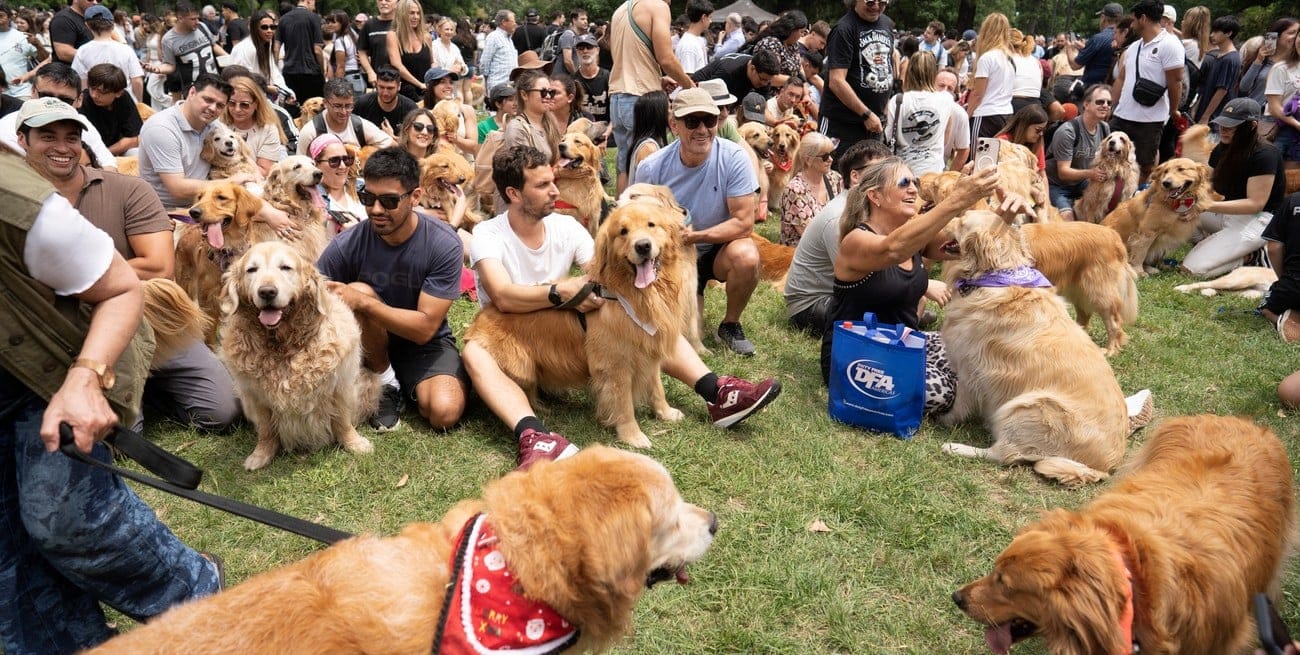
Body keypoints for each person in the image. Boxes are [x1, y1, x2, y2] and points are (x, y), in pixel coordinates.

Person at [0, 148, 223, 655]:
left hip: (60, 361)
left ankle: (197, 594)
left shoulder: (16, 199)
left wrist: (84, 377)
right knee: (7, 554)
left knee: (66, 517)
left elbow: (124, 288)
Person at [465, 144, 781, 470]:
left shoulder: (566, 226)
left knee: (642, 317)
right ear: (514, 194)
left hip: (565, 324)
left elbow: (603, 267)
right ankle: (545, 432)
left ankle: (715, 391)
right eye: (543, 185)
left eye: (552, 181)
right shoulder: (488, 234)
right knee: (477, 352)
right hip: (510, 331)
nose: (555, 190)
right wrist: (560, 292)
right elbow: (502, 296)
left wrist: (650, 277)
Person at [19, 95, 240, 432]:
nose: (62, 147)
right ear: (23, 140)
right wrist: (110, 278)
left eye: (71, 138)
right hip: (70, 330)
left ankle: (150, 389)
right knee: (118, 434)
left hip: (153, 318)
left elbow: (157, 267)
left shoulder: (127, 189)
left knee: (222, 413)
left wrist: (63, 276)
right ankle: (133, 396)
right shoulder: (14, 199)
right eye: (47, 137)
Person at [818, 159, 1016, 411]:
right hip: (858, 354)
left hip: (901, 344)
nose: (913, 188)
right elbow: (893, 249)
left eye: (915, 182)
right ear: (875, 196)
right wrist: (957, 199)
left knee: (980, 355)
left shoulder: (915, 237)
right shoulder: (856, 241)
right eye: (903, 183)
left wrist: (1002, 217)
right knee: (947, 392)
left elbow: (969, 243)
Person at [315, 147, 465, 432]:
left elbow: (424, 328)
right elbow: (310, 292)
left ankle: (410, 380)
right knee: (359, 291)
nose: (375, 209)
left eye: (389, 201)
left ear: (415, 197)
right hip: (366, 345)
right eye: (368, 198)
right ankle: (386, 382)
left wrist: (364, 302)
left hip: (423, 343)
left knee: (445, 412)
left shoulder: (443, 243)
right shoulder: (348, 243)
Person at [632, 88, 763, 356]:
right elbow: (637, 224)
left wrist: (696, 236)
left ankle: (731, 324)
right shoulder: (652, 166)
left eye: (709, 120)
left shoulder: (734, 158)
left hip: (715, 249)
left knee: (747, 256)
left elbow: (743, 223)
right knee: (684, 338)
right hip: (672, 255)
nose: (702, 129)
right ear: (674, 125)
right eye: (692, 122)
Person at [784, 139, 890, 333]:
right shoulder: (839, 217)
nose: (887, 177)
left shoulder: (870, 208)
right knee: (889, 312)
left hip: (837, 292)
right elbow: (856, 278)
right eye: (878, 170)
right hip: (811, 305)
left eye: (889, 170)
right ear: (855, 176)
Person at [1182, 98, 1286, 278]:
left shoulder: (1265, 154)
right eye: (1223, 123)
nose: (1224, 129)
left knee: (1193, 270)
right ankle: (1212, 245)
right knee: (1180, 207)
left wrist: (1206, 205)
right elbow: (1207, 183)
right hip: (1227, 212)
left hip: (1258, 219)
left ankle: (1251, 257)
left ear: (1252, 126)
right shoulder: (1222, 148)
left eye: (1231, 126)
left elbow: (1255, 204)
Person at [608, 0, 694, 194]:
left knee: (625, 166)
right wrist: (690, 86)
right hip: (642, 100)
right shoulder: (657, 7)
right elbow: (666, 58)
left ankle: (622, 214)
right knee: (649, 165)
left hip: (617, 97)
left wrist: (657, 78)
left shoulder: (620, 10)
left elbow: (627, 58)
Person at [1110, 0, 1185, 183]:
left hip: (1150, 119)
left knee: (1144, 165)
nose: (1132, 25)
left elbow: (1175, 81)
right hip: (1122, 115)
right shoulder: (1135, 46)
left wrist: (1173, 110)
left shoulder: (1170, 44)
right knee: (1111, 159)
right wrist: (1112, 106)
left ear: (1143, 19)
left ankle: (1136, 199)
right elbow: (1121, 78)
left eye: (1134, 20)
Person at [0, 63, 116, 171]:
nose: (55, 105)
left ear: (79, 100)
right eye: (46, 97)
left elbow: (109, 166)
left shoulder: (83, 123)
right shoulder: (6, 129)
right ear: (33, 92)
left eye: (65, 100)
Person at [819, 0, 896, 158]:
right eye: (870, 2)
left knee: (869, 177)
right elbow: (836, 81)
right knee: (836, 176)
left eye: (882, 3)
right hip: (843, 124)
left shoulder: (886, 24)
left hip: (874, 124)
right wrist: (865, 114)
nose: (875, 7)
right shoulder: (844, 29)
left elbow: (887, 65)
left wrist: (885, 106)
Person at [885, 50, 968, 176]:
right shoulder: (945, 99)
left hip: (902, 171)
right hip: (932, 171)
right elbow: (946, 138)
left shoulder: (897, 100)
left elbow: (889, 135)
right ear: (933, 74)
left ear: (910, 72)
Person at [1047, 83, 1114, 221]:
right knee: (1068, 220)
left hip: (1083, 182)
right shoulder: (1068, 132)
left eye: (1109, 102)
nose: (1106, 105)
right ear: (1086, 104)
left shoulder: (1104, 128)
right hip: (1058, 185)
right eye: (1100, 101)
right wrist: (1091, 174)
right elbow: (1063, 173)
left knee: (1104, 211)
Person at [146, 1, 225, 102]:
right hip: (194, 91)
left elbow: (213, 46)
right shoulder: (168, 40)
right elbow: (170, 65)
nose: (197, 21)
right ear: (180, 18)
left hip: (215, 83)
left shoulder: (202, 27)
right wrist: (157, 69)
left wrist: (231, 57)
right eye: (192, 19)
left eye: (197, 18)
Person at [295, 79, 393, 155]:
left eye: (348, 106)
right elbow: (300, 166)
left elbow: (394, 147)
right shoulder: (310, 132)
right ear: (325, 103)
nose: (344, 112)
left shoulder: (359, 125)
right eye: (337, 106)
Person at [70, 5, 143, 102]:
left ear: (87, 25)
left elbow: (82, 82)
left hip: (96, 103)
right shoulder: (126, 50)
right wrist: (139, 102)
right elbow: (137, 81)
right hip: (125, 101)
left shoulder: (82, 51)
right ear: (113, 25)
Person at [780, 132, 841, 246]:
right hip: (804, 254)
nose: (831, 159)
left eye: (832, 153)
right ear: (808, 160)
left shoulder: (835, 179)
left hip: (832, 244)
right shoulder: (795, 190)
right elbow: (809, 235)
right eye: (825, 156)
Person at [222, 74, 285, 176]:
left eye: (244, 105)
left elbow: (265, 171)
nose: (237, 109)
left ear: (256, 104)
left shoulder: (268, 129)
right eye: (232, 103)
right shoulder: (218, 123)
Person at [966, 13, 1016, 139]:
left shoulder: (987, 58)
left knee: (977, 157)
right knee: (997, 157)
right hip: (1006, 113)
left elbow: (978, 94)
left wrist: (966, 116)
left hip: (985, 115)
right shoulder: (1010, 58)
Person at [78, 63, 143, 156]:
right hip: (88, 151)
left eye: (102, 92)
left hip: (113, 149)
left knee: (137, 153)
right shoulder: (82, 101)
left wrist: (105, 154)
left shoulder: (124, 99)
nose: (94, 95)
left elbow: (133, 138)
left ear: (118, 93)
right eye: (92, 89)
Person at [996, 104, 1051, 208]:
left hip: (1032, 196)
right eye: (1038, 130)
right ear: (1024, 125)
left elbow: (1042, 173)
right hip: (1007, 193)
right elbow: (1005, 179)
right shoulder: (1003, 142)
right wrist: (1032, 190)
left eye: (1043, 130)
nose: (1041, 134)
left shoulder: (1038, 143)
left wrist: (1047, 202)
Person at [501, 68, 561, 162]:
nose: (548, 96)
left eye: (551, 92)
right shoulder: (517, 128)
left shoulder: (551, 122)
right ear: (524, 95)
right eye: (543, 92)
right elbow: (525, 170)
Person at [308, 133, 365, 232]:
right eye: (334, 161)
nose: (342, 166)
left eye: (346, 159)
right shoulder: (309, 199)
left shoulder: (364, 187)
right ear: (316, 164)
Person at [228, 10, 289, 101]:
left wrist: (286, 91)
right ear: (255, 28)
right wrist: (267, 88)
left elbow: (273, 71)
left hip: (263, 96)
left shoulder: (266, 45)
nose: (269, 31)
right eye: (264, 27)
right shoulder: (245, 49)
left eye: (272, 27)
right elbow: (240, 80)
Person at [1266, 18, 1300, 167]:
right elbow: (1274, 107)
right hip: (1280, 130)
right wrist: (1297, 124)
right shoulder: (1281, 68)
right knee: (1276, 180)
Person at [422, 67, 477, 158]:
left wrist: (456, 139)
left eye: (451, 82)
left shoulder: (466, 110)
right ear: (429, 85)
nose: (449, 86)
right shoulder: (423, 113)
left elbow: (474, 148)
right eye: (442, 82)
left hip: (463, 166)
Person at [1194, 15, 1240, 125]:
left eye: (1216, 32)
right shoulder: (1220, 55)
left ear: (1229, 33)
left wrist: (1206, 117)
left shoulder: (1230, 59)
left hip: (1214, 117)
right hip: (1207, 110)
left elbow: (1221, 91)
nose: (1211, 35)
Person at [276, 0, 324, 102]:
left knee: (293, 108)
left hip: (289, 72)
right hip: (311, 72)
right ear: (308, 1)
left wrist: (275, 70)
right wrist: (322, 70)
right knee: (314, 108)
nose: (314, 7)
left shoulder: (283, 19)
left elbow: (276, 48)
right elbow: (317, 50)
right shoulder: (314, 18)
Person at [1064, 2, 1122, 85]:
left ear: (1103, 18)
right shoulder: (1125, 38)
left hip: (1093, 88)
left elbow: (1075, 65)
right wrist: (1085, 48)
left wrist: (1068, 47)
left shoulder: (1098, 39)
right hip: (1113, 87)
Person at [384, 0, 430, 102]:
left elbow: (432, 62)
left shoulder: (426, 37)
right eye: (411, 13)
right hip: (404, 93)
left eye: (418, 13)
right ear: (402, 14)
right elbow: (397, 65)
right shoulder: (393, 36)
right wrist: (419, 84)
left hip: (426, 91)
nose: (416, 17)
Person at [0, 2, 46, 100]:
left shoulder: (23, 37)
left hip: (20, 94)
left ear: (9, 18)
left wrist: (38, 45)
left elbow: (45, 60)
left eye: (1, 16)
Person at [353, 66, 416, 137]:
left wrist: (392, 137)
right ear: (376, 84)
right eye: (381, 87)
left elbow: (413, 142)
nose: (385, 93)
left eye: (390, 88)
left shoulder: (410, 108)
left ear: (399, 86)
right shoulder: (361, 103)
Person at [745, 10, 809, 78]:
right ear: (792, 29)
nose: (802, 36)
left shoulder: (794, 45)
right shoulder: (772, 43)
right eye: (801, 32)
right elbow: (772, 77)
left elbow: (799, 67)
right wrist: (795, 82)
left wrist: (803, 83)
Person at [356, 0, 395, 88]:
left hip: (403, 80)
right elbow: (362, 51)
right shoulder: (369, 25)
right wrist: (370, 72)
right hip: (379, 80)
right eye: (380, 0)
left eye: (388, 0)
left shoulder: (404, 24)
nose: (383, 3)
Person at [573, 34, 609, 128]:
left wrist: (607, 134)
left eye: (589, 47)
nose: (585, 51)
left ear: (597, 50)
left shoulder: (608, 77)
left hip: (606, 131)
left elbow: (616, 112)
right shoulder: (572, 80)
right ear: (576, 52)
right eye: (581, 48)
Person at [325, 9, 363, 94]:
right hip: (357, 78)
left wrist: (338, 87)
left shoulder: (340, 41)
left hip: (348, 79)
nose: (329, 25)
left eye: (333, 22)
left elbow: (341, 67)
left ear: (342, 23)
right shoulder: (351, 36)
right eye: (328, 22)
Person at [480, 10, 518, 93]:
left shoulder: (509, 39)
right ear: (504, 22)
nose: (515, 24)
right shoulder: (494, 37)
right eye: (513, 21)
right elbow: (484, 62)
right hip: (498, 85)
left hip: (509, 85)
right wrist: (486, 82)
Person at [674, 0, 711, 76]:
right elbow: (688, 77)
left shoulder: (698, 39)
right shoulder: (689, 45)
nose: (711, 21)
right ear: (703, 18)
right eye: (710, 17)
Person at [431, 16, 467, 90]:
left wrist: (461, 68)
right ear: (439, 30)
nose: (449, 32)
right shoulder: (434, 45)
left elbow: (464, 67)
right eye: (447, 29)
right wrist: (450, 70)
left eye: (451, 30)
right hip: (438, 85)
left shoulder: (455, 48)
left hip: (452, 85)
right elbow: (434, 67)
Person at [558, 9, 588, 76]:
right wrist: (577, 76)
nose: (586, 21)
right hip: (562, 78)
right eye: (582, 19)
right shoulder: (568, 35)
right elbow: (567, 61)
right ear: (574, 20)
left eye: (586, 19)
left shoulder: (578, 36)